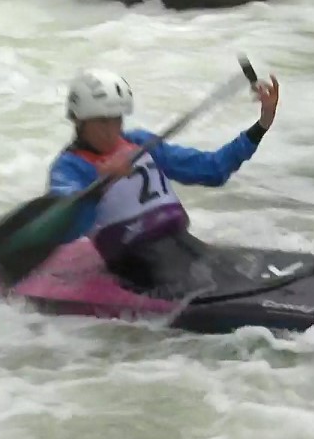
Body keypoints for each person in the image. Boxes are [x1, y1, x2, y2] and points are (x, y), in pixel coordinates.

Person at [47, 68, 280, 296]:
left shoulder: (140, 143)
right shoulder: (69, 168)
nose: (111, 130)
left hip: (179, 242)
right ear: (79, 121)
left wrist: (260, 127)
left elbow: (212, 169)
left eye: (116, 119)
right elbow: (64, 228)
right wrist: (103, 183)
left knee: (236, 272)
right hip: (135, 262)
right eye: (101, 122)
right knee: (212, 284)